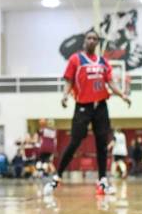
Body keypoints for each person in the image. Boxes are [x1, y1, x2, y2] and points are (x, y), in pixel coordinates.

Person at [44, 30, 131, 197]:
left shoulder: (103, 62)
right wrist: (64, 96)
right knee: (75, 141)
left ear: (98, 42)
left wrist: (122, 95)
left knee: (102, 144)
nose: (91, 40)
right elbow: (69, 80)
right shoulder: (75, 59)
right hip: (82, 106)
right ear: (85, 41)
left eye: (94, 39)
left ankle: (103, 181)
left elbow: (111, 82)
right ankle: (57, 176)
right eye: (89, 38)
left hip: (101, 106)